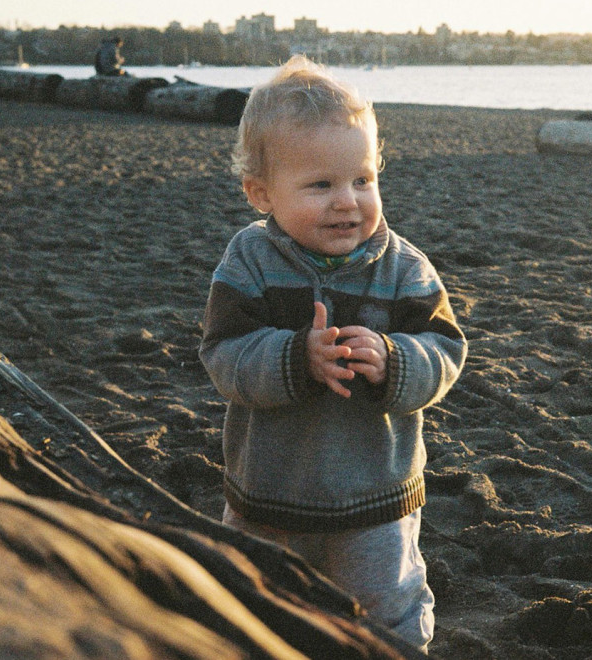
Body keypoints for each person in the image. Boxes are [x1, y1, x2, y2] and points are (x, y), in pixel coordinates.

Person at [200, 55, 466, 652]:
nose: (348, 201)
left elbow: (446, 352)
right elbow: (223, 354)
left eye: (363, 180)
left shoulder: (405, 270)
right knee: (259, 610)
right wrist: (296, 358)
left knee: (386, 611)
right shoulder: (248, 263)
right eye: (321, 185)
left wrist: (396, 360)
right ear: (261, 193)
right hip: (268, 492)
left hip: (376, 495)